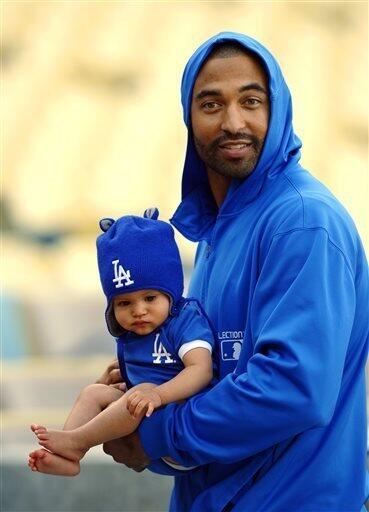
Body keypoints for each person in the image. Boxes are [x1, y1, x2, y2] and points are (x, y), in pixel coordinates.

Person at [102, 32, 369, 511]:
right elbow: (214, 371)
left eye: (251, 101)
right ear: (189, 117)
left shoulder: (303, 221)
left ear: (278, 108)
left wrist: (158, 433)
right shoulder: (216, 234)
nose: (233, 122)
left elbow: (292, 388)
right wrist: (143, 385)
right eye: (211, 104)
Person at [28, 211, 215, 476]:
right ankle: (67, 455)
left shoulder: (185, 320)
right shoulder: (135, 333)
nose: (138, 311)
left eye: (150, 298)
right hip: (145, 411)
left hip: (184, 424)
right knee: (94, 392)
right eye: (124, 303)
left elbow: (201, 370)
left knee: (141, 392)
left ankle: (78, 440)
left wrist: (156, 393)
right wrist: (114, 381)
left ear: (170, 293)